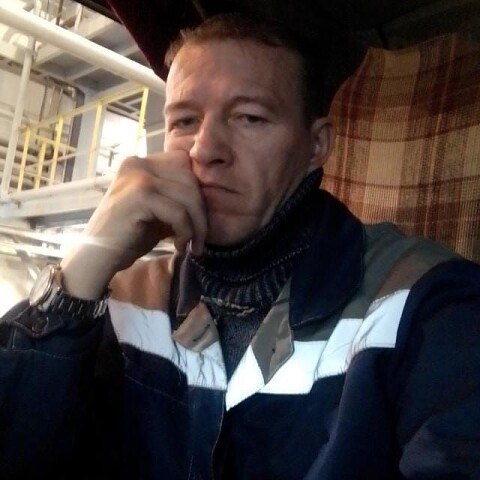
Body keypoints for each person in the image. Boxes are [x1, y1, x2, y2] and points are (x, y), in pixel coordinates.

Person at [1, 12, 479, 480]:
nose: (205, 149)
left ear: (316, 146)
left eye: (249, 117)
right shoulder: (123, 298)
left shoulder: (421, 299)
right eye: (184, 121)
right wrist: (79, 270)